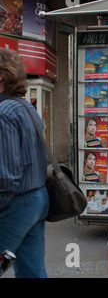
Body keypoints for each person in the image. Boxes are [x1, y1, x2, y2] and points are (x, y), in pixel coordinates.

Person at [0, 48, 49, 278]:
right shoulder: (26, 107)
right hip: (37, 198)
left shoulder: (4, 111)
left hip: (17, 202)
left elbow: (7, 176)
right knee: (32, 269)